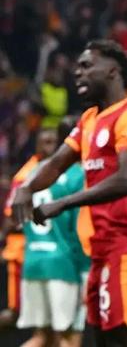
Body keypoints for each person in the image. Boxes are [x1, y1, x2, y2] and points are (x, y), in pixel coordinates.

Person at [12, 40, 127, 347]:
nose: (77, 73)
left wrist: (63, 203)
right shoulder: (89, 119)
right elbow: (56, 164)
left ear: (113, 71)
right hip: (99, 249)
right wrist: (26, 188)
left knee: (121, 340)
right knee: (98, 339)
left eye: (86, 66)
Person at [16, 117, 89, 347]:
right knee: (68, 338)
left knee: (41, 337)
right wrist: (85, 271)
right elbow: (79, 229)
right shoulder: (77, 175)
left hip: (33, 260)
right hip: (63, 265)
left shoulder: (32, 174)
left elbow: (17, 219)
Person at [0, 128, 60, 331]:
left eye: (54, 142)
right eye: (46, 142)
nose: (51, 147)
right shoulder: (26, 175)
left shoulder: (58, 169)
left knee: (48, 321)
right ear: (37, 146)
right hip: (23, 250)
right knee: (16, 312)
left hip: (48, 251)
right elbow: (12, 217)